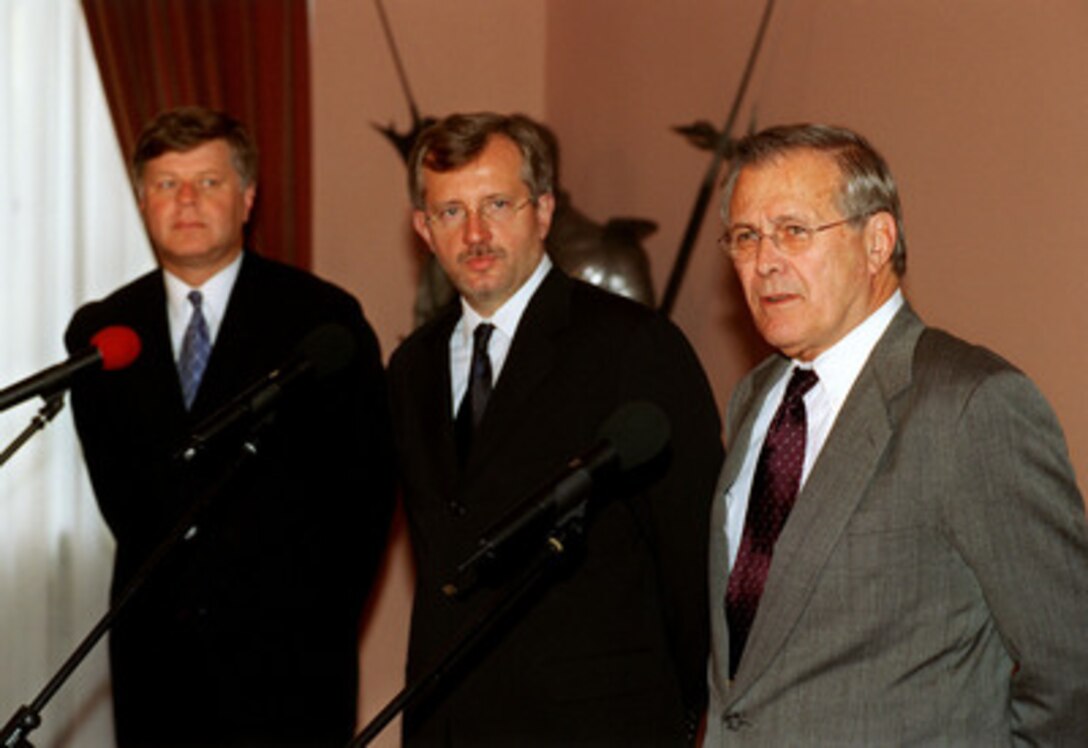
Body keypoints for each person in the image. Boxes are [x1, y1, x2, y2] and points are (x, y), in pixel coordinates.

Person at [706, 123, 1088, 745]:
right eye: (746, 237)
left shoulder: (970, 405)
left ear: (877, 242)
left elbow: (1073, 664)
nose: (764, 261)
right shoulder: (755, 399)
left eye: (794, 231)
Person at [388, 112, 724, 746]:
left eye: (497, 204)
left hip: (595, 723)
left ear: (542, 211)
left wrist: (678, 714)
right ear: (422, 229)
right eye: (451, 213)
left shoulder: (633, 345)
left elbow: (692, 556)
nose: (476, 233)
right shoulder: (411, 367)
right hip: (448, 723)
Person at [65, 106, 395, 747]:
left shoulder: (322, 320)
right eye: (166, 185)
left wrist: (318, 618)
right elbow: (123, 498)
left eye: (208, 183)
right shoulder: (103, 332)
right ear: (142, 200)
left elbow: (367, 491)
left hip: (292, 662)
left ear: (247, 197)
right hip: (155, 660)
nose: (186, 201)